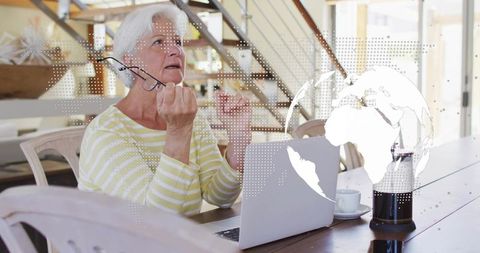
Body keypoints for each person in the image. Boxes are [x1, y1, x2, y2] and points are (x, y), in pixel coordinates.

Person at [78, 4, 252, 216]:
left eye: (178, 42)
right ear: (129, 61)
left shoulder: (190, 119)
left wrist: (239, 137)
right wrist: (178, 132)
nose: (175, 50)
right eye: (158, 42)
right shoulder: (106, 132)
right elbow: (154, 219)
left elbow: (220, 197)